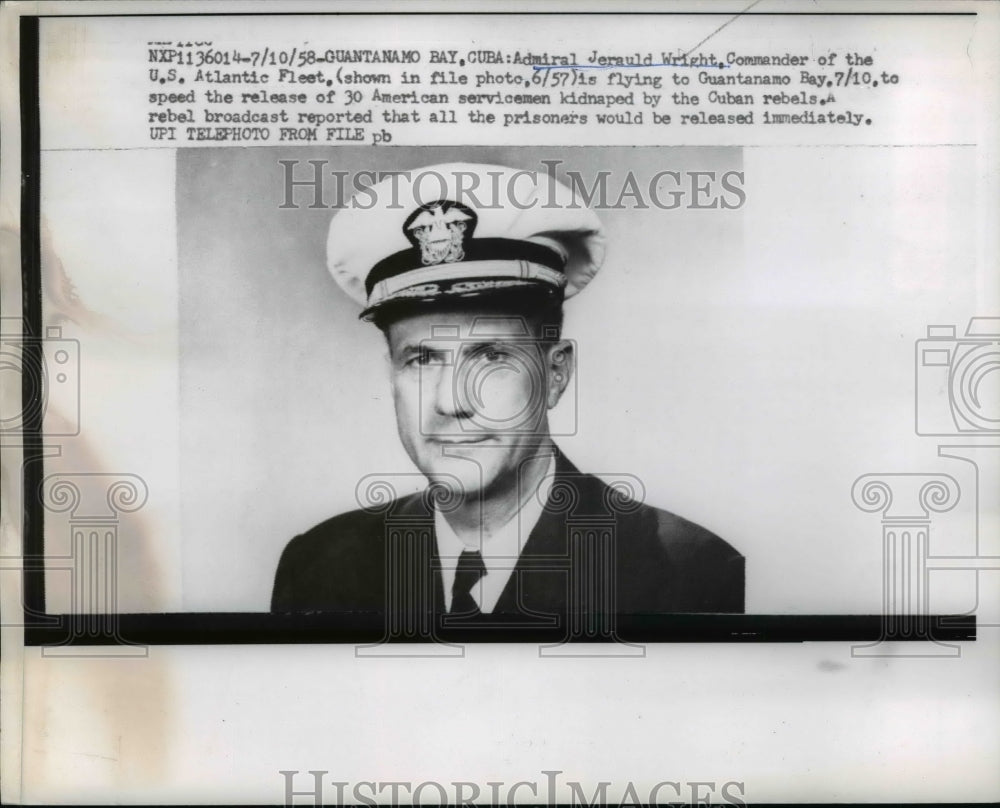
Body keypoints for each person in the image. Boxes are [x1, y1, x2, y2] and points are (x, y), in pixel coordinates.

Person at [271, 162, 744, 636]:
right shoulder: (319, 566)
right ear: (391, 373)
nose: (451, 401)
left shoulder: (688, 572)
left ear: (555, 373)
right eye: (422, 359)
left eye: (491, 357)